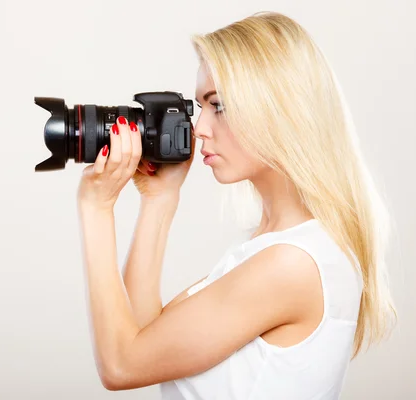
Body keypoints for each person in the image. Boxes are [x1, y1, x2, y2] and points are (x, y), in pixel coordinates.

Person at [75, 10, 396, 400]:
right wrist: (159, 199)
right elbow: (142, 337)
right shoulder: (278, 246)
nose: (199, 129)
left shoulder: (293, 264)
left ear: (279, 108)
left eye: (219, 106)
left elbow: (122, 366)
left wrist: (96, 209)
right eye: (201, 107)